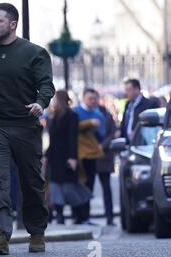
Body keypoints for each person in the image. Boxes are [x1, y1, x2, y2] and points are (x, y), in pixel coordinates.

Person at [0, 3, 55, 255]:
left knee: (31, 183)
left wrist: (41, 104)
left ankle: (36, 232)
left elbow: (46, 85)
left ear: (13, 24)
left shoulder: (34, 53)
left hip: (25, 126)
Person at [46, 91, 91, 225]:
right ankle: (60, 216)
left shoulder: (72, 116)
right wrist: (46, 156)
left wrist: (72, 158)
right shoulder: (54, 117)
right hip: (55, 158)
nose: (53, 102)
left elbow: (73, 138)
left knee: (69, 187)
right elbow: (52, 140)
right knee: (55, 187)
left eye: (55, 100)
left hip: (66, 157)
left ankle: (79, 215)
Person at [74, 88, 105, 224]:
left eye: (94, 99)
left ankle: (85, 216)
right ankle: (79, 215)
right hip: (77, 156)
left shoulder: (99, 114)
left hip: (92, 155)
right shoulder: (75, 112)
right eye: (90, 98)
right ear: (83, 98)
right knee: (78, 185)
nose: (92, 101)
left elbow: (102, 134)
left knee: (89, 185)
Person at [95, 97, 117, 226]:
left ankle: (110, 217)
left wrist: (102, 145)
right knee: (87, 187)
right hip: (90, 156)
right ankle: (83, 216)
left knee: (107, 189)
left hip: (104, 157)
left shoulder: (107, 115)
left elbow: (112, 133)